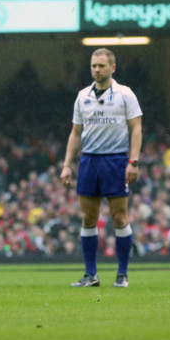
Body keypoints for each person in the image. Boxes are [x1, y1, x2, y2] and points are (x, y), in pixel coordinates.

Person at [60, 48, 142, 288]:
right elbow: (76, 132)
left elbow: (136, 128)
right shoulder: (82, 96)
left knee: (119, 217)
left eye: (101, 66)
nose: (96, 69)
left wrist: (133, 161)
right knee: (88, 217)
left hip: (115, 160)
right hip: (89, 160)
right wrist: (66, 165)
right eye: (93, 65)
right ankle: (90, 275)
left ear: (112, 68)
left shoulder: (125, 95)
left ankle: (122, 274)